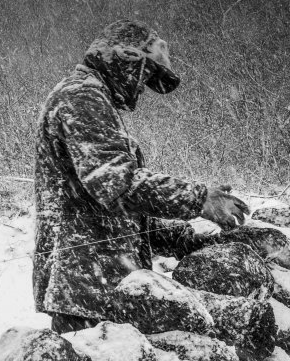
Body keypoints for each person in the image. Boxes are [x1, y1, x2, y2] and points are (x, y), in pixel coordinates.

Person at [33, 19, 248, 333]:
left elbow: (120, 212)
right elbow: (119, 186)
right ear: (126, 60)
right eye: (145, 74)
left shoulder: (93, 98)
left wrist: (184, 237)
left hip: (100, 285)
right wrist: (199, 198)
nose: (143, 86)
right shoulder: (81, 98)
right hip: (88, 289)